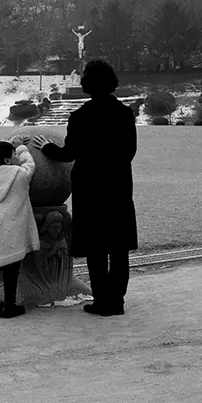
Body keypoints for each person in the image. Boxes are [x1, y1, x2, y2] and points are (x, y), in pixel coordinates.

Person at [33, 59, 137, 317]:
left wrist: (47, 147)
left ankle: (101, 301)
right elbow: (129, 152)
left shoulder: (80, 116)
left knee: (96, 247)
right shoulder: (125, 114)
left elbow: (68, 153)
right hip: (118, 185)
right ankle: (117, 301)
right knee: (118, 247)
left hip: (90, 187)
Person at [0, 136, 39, 319]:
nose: (16, 156)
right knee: (11, 272)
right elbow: (30, 165)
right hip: (14, 232)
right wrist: (22, 149)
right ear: (7, 160)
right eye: (13, 154)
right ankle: (10, 306)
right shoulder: (19, 175)